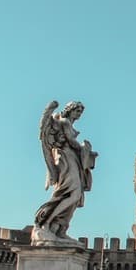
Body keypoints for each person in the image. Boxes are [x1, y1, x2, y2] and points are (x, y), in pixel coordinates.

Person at [33, 100, 98, 245]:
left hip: (72, 159)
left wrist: (87, 152)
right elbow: (71, 142)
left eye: (80, 112)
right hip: (65, 160)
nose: (79, 115)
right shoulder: (64, 122)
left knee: (75, 195)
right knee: (71, 192)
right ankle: (46, 224)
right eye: (77, 111)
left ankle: (59, 229)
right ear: (69, 110)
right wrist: (85, 148)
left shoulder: (67, 124)